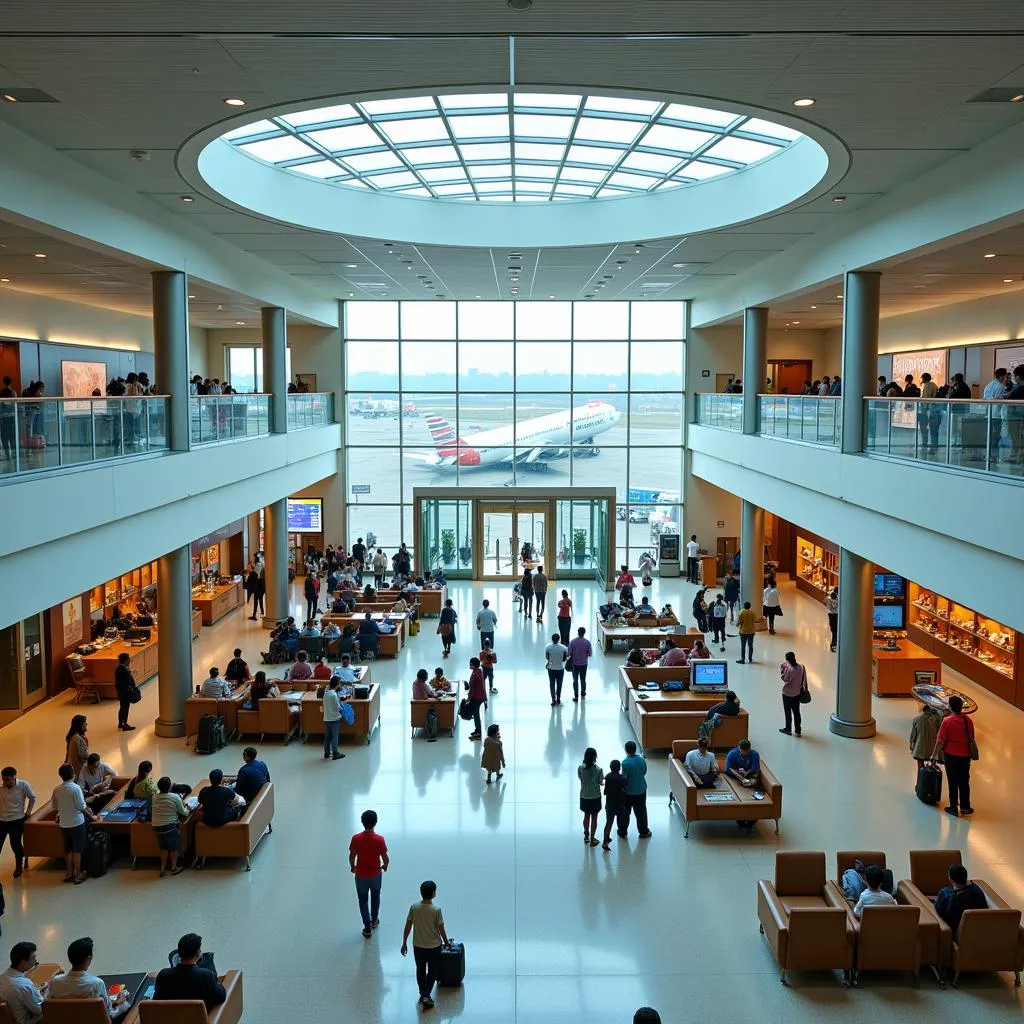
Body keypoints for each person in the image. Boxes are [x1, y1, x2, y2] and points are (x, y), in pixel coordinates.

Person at [401, 880, 451, 1010]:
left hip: (418, 945)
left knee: (420, 969)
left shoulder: (414, 907)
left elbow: (408, 926)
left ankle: (422, 993)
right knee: (432, 971)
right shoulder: (436, 910)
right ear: (434, 893)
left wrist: (404, 942)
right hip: (434, 946)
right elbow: (441, 928)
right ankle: (426, 994)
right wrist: (446, 942)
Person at [48, 935, 128, 1014]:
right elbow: (108, 1013)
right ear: (89, 957)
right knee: (126, 1005)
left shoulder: (55, 982)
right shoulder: (97, 983)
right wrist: (119, 1002)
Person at [154, 933, 226, 1009]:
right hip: (198, 1019)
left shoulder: (163, 975)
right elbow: (221, 997)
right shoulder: (206, 976)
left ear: (179, 953)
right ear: (198, 954)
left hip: (169, 1019)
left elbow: (156, 1000)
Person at [932, 694, 975, 817]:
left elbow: (940, 740)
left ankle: (953, 807)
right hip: (965, 756)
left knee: (953, 781)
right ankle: (965, 807)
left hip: (950, 756)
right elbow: (971, 737)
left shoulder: (947, 721)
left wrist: (933, 755)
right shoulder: (968, 721)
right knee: (964, 781)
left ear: (950, 707)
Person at [53, 763, 96, 884]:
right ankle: (78, 874)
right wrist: (92, 817)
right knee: (77, 849)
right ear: (73, 774)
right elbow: (81, 807)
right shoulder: (76, 788)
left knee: (67, 849)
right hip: (77, 823)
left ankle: (69, 872)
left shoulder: (56, 789)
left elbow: (54, 806)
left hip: (64, 824)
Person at [350, 809, 389, 938]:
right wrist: (385, 865)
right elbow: (385, 858)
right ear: (375, 822)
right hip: (376, 875)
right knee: (376, 896)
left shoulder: (356, 838)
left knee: (363, 900)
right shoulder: (380, 840)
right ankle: (374, 920)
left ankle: (367, 928)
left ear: (362, 822)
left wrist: (352, 867)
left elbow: (352, 856)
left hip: (361, 875)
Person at [0, 941, 46, 1024]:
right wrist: (45, 994)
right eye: (33, 958)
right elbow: (40, 1009)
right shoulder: (24, 985)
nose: (35, 960)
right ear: (23, 963)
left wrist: (36, 992)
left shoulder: (2, 978)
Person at [0, 767, 35, 878]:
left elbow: (32, 797)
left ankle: (19, 866)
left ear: (15, 777)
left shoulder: (23, 785)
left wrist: (28, 812)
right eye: (4, 780)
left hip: (17, 820)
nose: (7, 782)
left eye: (9, 780)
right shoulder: (1, 788)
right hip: (2, 820)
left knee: (15, 844)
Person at [151, 776, 188, 876]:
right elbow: (183, 812)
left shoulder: (154, 797)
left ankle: (162, 868)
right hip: (170, 826)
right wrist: (188, 809)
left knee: (163, 848)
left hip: (157, 827)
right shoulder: (175, 797)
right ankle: (174, 867)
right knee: (173, 848)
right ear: (169, 787)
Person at [933, 863, 988, 931]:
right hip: (979, 931)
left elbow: (939, 912)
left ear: (951, 880)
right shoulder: (977, 890)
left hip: (956, 933)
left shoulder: (946, 894)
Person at [620, 741, 651, 838]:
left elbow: (624, 778)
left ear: (626, 750)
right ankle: (643, 831)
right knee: (641, 811)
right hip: (641, 789)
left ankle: (622, 831)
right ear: (635, 749)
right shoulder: (642, 760)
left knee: (625, 812)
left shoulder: (625, 763)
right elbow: (644, 771)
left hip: (628, 792)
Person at [577, 747, 603, 846]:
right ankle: (593, 839)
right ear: (595, 757)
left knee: (586, 815)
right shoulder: (598, 769)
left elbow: (580, 778)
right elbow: (601, 782)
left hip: (584, 795)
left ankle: (586, 836)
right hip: (595, 796)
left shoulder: (580, 768)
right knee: (594, 817)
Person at [600, 759, 627, 850]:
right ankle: (622, 833)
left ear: (610, 767)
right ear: (619, 768)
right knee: (621, 820)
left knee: (609, 822)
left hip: (610, 804)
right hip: (620, 804)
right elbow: (625, 790)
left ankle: (605, 840)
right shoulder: (622, 778)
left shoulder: (607, 777)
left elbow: (605, 792)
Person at [909, 703, 943, 776]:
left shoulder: (916, 719)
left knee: (920, 763)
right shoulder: (937, 718)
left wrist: (912, 747)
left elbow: (913, 736)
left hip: (920, 748)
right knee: (932, 765)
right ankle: (932, 780)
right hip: (933, 748)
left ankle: (921, 780)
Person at [779, 651, 807, 736]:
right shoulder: (801, 667)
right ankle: (798, 730)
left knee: (788, 712)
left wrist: (782, 670)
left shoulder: (789, 669)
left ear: (787, 659)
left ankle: (788, 729)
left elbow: (785, 679)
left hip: (787, 693)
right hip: (797, 693)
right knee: (796, 712)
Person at [112, 652, 137, 732]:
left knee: (123, 707)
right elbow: (126, 680)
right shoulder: (122, 669)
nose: (130, 660)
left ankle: (121, 723)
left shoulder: (121, 668)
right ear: (126, 660)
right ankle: (124, 724)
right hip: (124, 692)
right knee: (125, 708)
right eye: (129, 659)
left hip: (122, 691)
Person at [567, 627, 593, 703]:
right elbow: (590, 654)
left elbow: (569, 653)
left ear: (578, 632)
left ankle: (576, 696)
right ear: (584, 633)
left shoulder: (572, 642)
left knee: (575, 680)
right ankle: (583, 694)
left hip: (574, 664)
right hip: (584, 664)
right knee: (583, 679)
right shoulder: (587, 642)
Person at [465, 657, 487, 740]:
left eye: (470, 663)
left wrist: (468, 699)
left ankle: (478, 731)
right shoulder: (479, 671)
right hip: (481, 696)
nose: (469, 665)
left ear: (473, 665)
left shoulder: (475, 674)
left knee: (476, 714)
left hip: (476, 697)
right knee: (476, 713)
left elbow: (472, 688)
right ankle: (477, 730)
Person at [544, 633, 568, 707]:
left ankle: (553, 700)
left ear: (552, 639)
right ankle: (558, 699)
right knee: (559, 684)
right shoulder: (564, 648)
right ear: (559, 639)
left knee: (552, 684)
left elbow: (547, 657)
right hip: (560, 668)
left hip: (551, 668)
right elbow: (565, 658)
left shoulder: (548, 647)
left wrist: (550, 661)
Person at [825, 587, 839, 652]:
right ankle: (835, 642)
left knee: (833, 630)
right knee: (835, 630)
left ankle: (834, 642)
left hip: (831, 615)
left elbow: (828, 607)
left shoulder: (829, 599)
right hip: (836, 615)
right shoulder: (839, 599)